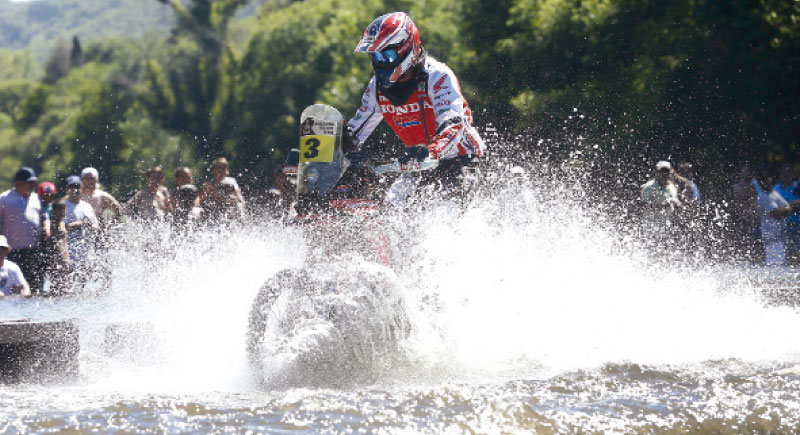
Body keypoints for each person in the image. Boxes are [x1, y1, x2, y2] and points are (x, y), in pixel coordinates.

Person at [346, 12, 486, 203]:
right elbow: (354, 132)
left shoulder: (437, 75)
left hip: (460, 159)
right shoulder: (376, 87)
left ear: (406, 48)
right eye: (375, 56)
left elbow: (454, 124)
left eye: (385, 55)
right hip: (416, 167)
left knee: (446, 213)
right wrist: (330, 148)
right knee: (390, 216)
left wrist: (432, 151)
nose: (380, 63)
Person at [0, 167, 49, 295]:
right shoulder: (4, 199)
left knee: (35, 287)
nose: (33, 185)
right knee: (15, 289)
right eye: (29, 182)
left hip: (33, 251)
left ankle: (33, 314)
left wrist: (46, 227)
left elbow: (44, 216)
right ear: (18, 183)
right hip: (12, 252)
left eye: (33, 182)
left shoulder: (36, 198)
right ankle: (15, 315)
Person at [43, 199, 70, 294]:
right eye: (59, 210)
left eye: (63, 209)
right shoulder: (53, 223)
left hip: (63, 257)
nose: (62, 212)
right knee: (56, 285)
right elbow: (57, 242)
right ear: (53, 211)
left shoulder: (63, 222)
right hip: (56, 258)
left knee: (64, 284)